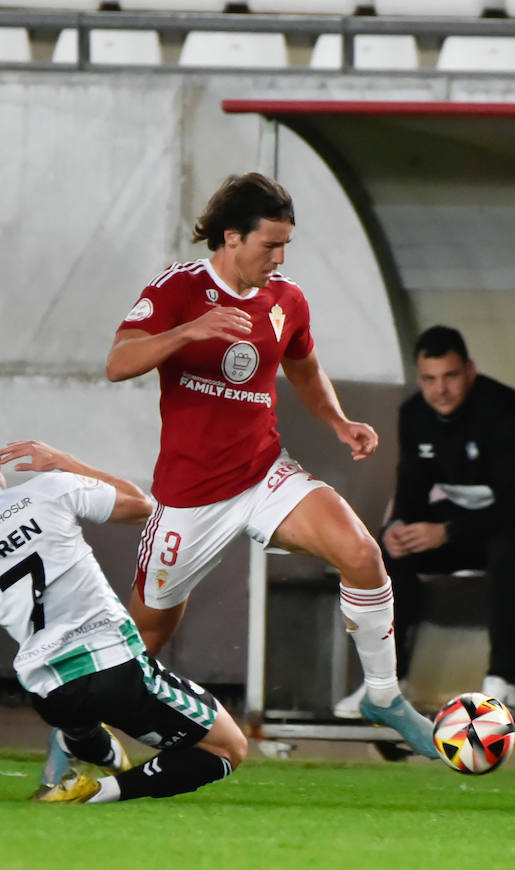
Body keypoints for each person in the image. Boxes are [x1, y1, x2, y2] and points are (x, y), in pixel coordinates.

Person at [105, 172, 436, 758]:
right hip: (190, 499)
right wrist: (189, 331)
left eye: (286, 245)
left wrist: (338, 421)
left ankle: (382, 695)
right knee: (143, 640)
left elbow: (304, 366)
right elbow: (118, 362)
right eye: (269, 245)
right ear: (232, 237)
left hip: (264, 475)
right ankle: (78, 722)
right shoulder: (179, 290)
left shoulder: (287, 299)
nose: (279, 258)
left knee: (361, 553)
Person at [0, 423, 249, 803]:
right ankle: (94, 793)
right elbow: (141, 507)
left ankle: (87, 748)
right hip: (114, 670)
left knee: (80, 723)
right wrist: (64, 462)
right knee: (228, 749)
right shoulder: (49, 489)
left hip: (50, 692)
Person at [332, 326, 515, 716]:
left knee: (508, 551)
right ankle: (384, 685)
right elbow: (413, 489)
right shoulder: (415, 415)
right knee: (389, 548)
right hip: (480, 523)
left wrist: (447, 531)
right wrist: (402, 524)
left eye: (450, 376)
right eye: (429, 379)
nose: (441, 390)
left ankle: (504, 683)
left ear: (469, 371)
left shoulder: (506, 412)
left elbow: (514, 504)